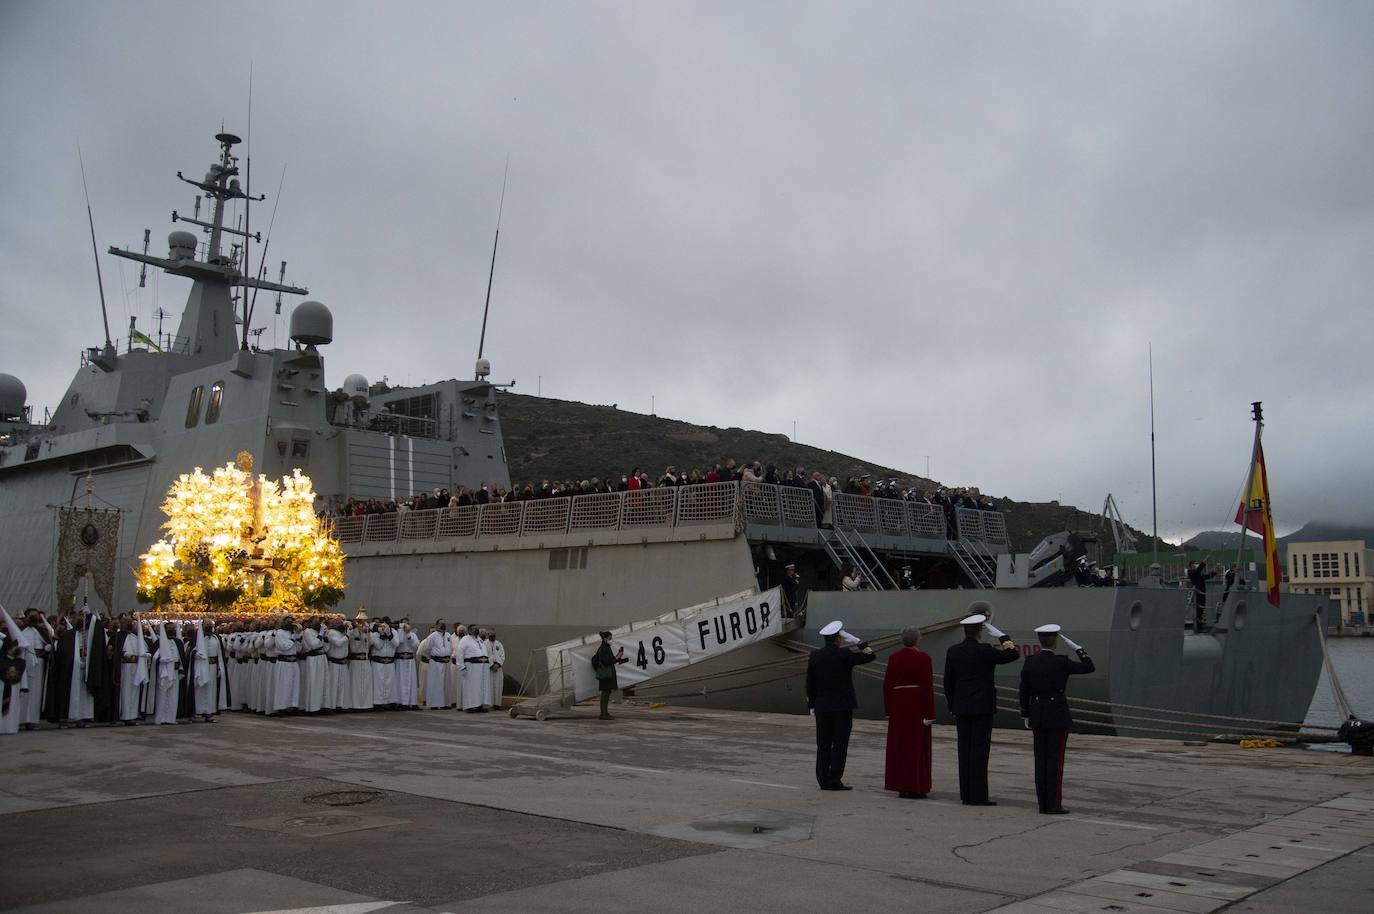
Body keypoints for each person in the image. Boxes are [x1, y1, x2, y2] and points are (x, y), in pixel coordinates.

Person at [943, 608, 1020, 806]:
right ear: (979, 631)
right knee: (979, 751)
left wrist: (952, 705)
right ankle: (978, 795)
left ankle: (966, 794)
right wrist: (1004, 637)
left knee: (964, 750)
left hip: (961, 706)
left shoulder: (953, 651)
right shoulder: (985, 650)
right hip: (982, 707)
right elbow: (1013, 654)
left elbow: (948, 682)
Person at [1020, 624, 1095, 815]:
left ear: (1040, 641)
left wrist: (1025, 713)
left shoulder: (1030, 662)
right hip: (1057, 715)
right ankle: (1053, 804)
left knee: (1040, 761)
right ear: (1054, 641)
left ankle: (1042, 803)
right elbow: (1089, 667)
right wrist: (1079, 649)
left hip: (1037, 715)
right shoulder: (1062, 662)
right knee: (1055, 761)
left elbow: (1024, 690)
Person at [805, 619, 876, 790]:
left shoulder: (815, 656)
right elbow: (870, 656)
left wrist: (812, 705)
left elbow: (810, 683)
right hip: (842, 707)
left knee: (823, 744)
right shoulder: (845, 654)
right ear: (838, 639)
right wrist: (858, 641)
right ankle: (834, 779)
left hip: (822, 707)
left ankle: (823, 780)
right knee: (840, 744)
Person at [883, 626, 934, 799]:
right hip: (916, 704)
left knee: (900, 745)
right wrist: (930, 714)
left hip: (898, 704)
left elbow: (887, 684)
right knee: (916, 746)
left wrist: (888, 709)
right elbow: (927, 686)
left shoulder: (893, 657)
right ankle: (915, 786)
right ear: (917, 639)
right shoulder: (924, 658)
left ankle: (901, 785)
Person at [1, 607, 27, 735]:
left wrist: (23, 687)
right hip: (2, 688)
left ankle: (11, 728)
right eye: (13, 647)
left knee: (13, 708)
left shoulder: (20, 662)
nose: (15, 649)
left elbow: (23, 675)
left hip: (15, 689)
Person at [591, 630, 628, 720]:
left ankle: (605, 713)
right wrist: (618, 657)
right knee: (605, 693)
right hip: (606, 674)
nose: (611, 640)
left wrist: (618, 656)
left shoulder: (605, 647)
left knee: (606, 693)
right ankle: (603, 714)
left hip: (607, 674)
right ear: (605, 639)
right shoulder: (604, 648)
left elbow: (610, 660)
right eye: (610, 638)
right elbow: (607, 662)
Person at [417, 621, 453, 709]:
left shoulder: (448, 635)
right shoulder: (432, 636)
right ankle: (434, 704)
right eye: (441, 623)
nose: (443, 625)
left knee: (446, 684)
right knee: (436, 684)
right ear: (437, 625)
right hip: (436, 662)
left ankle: (445, 703)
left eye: (444, 623)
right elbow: (426, 649)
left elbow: (450, 647)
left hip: (446, 663)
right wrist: (433, 657)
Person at [459, 623, 489, 712]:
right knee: (471, 687)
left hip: (481, 668)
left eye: (476, 628)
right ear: (469, 630)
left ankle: (479, 705)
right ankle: (469, 706)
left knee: (480, 687)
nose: (476, 630)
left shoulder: (479, 640)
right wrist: (462, 666)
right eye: (473, 629)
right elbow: (460, 653)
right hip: (471, 667)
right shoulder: (465, 640)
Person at [394, 620, 420, 709]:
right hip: (400, 661)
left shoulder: (412, 634)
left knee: (411, 681)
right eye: (404, 623)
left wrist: (408, 635)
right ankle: (401, 702)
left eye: (407, 623)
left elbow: (416, 645)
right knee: (400, 681)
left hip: (410, 660)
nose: (406, 625)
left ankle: (412, 702)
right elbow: (399, 642)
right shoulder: (397, 633)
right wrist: (402, 631)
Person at [1187, 558, 1214, 631]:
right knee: (1198, 609)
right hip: (1197, 593)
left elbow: (1206, 576)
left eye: (1196, 563)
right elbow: (1198, 570)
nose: (1195, 565)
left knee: (1202, 609)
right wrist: (1205, 560)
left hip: (1202, 593)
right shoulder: (1191, 572)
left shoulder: (1198, 573)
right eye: (1194, 564)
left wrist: (1214, 572)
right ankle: (1198, 627)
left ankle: (1201, 625)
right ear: (1190, 566)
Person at [486, 629, 505, 710]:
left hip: (498, 668)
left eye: (494, 635)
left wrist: (498, 664)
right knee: (489, 686)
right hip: (489, 669)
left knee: (498, 686)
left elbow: (502, 655)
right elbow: (485, 655)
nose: (493, 636)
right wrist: (491, 665)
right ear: (488, 635)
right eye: (491, 634)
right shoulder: (484, 644)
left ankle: (497, 704)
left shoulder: (499, 644)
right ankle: (489, 704)